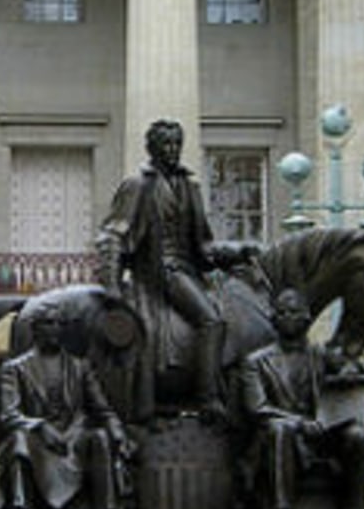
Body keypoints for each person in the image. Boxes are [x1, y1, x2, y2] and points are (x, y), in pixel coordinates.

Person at [96, 119, 250, 420]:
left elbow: (204, 247)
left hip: (188, 270)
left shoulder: (190, 187)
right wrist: (111, 285)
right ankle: (208, 398)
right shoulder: (137, 186)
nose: (173, 149)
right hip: (159, 274)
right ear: (152, 148)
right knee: (212, 320)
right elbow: (112, 235)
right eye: (166, 143)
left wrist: (238, 252)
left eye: (177, 143)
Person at [234, 288, 364, 509]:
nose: (287, 317)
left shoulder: (319, 355)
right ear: (273, 319)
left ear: (307, 318)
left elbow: (350, 366)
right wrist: (301, 423)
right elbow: (257, 408)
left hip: (319, 435)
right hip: (279, 437)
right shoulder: (255, 362)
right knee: (280, 428)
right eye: (282, 312)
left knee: (357, 435)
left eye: (294, 312)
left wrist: (351, 368)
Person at [0, 300, 134, 509]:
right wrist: (40, 427)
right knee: (19, 441)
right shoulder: (15, 369)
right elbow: (9, 414)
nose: (55, 329)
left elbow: (103, 409)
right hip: (37, 440)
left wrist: (118, 434)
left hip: (73, 438)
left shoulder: (80, 367)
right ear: (36, 329)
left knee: (100, 438)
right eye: (49, 323)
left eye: (60, 324)